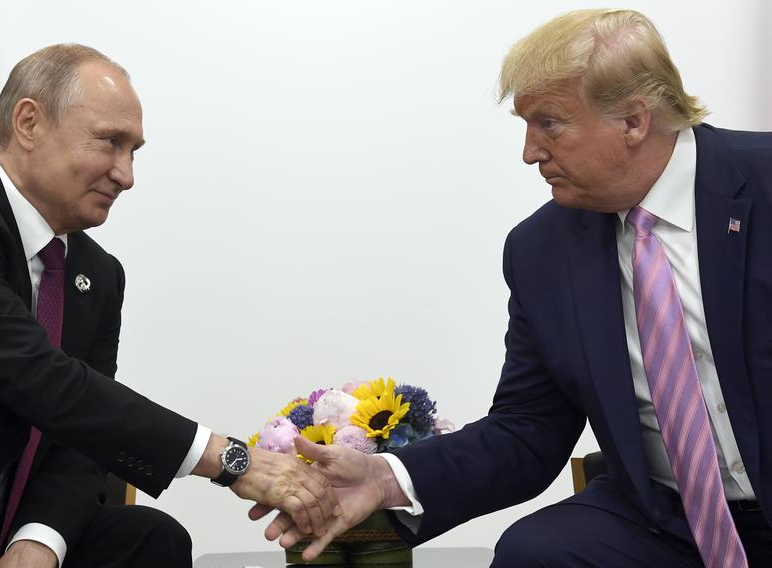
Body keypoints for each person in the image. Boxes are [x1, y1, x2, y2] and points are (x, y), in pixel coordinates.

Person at [257, 9, 772, 567]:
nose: (529, 151)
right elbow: (528, 429)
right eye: (525, 125)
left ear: (633, 120)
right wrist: (386, 477)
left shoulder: (763, 184)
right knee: (536, 553)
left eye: (549, 123)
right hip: (665, 519)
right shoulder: (541, 249)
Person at [0, 44, 338, 568]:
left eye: (134, 151)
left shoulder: (98, 274)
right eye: (110, 142)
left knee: (151, 539)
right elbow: (43, 379)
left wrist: (38, 542)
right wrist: (230, 461)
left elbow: (80, 437)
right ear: (29, 123)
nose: (126, 174)